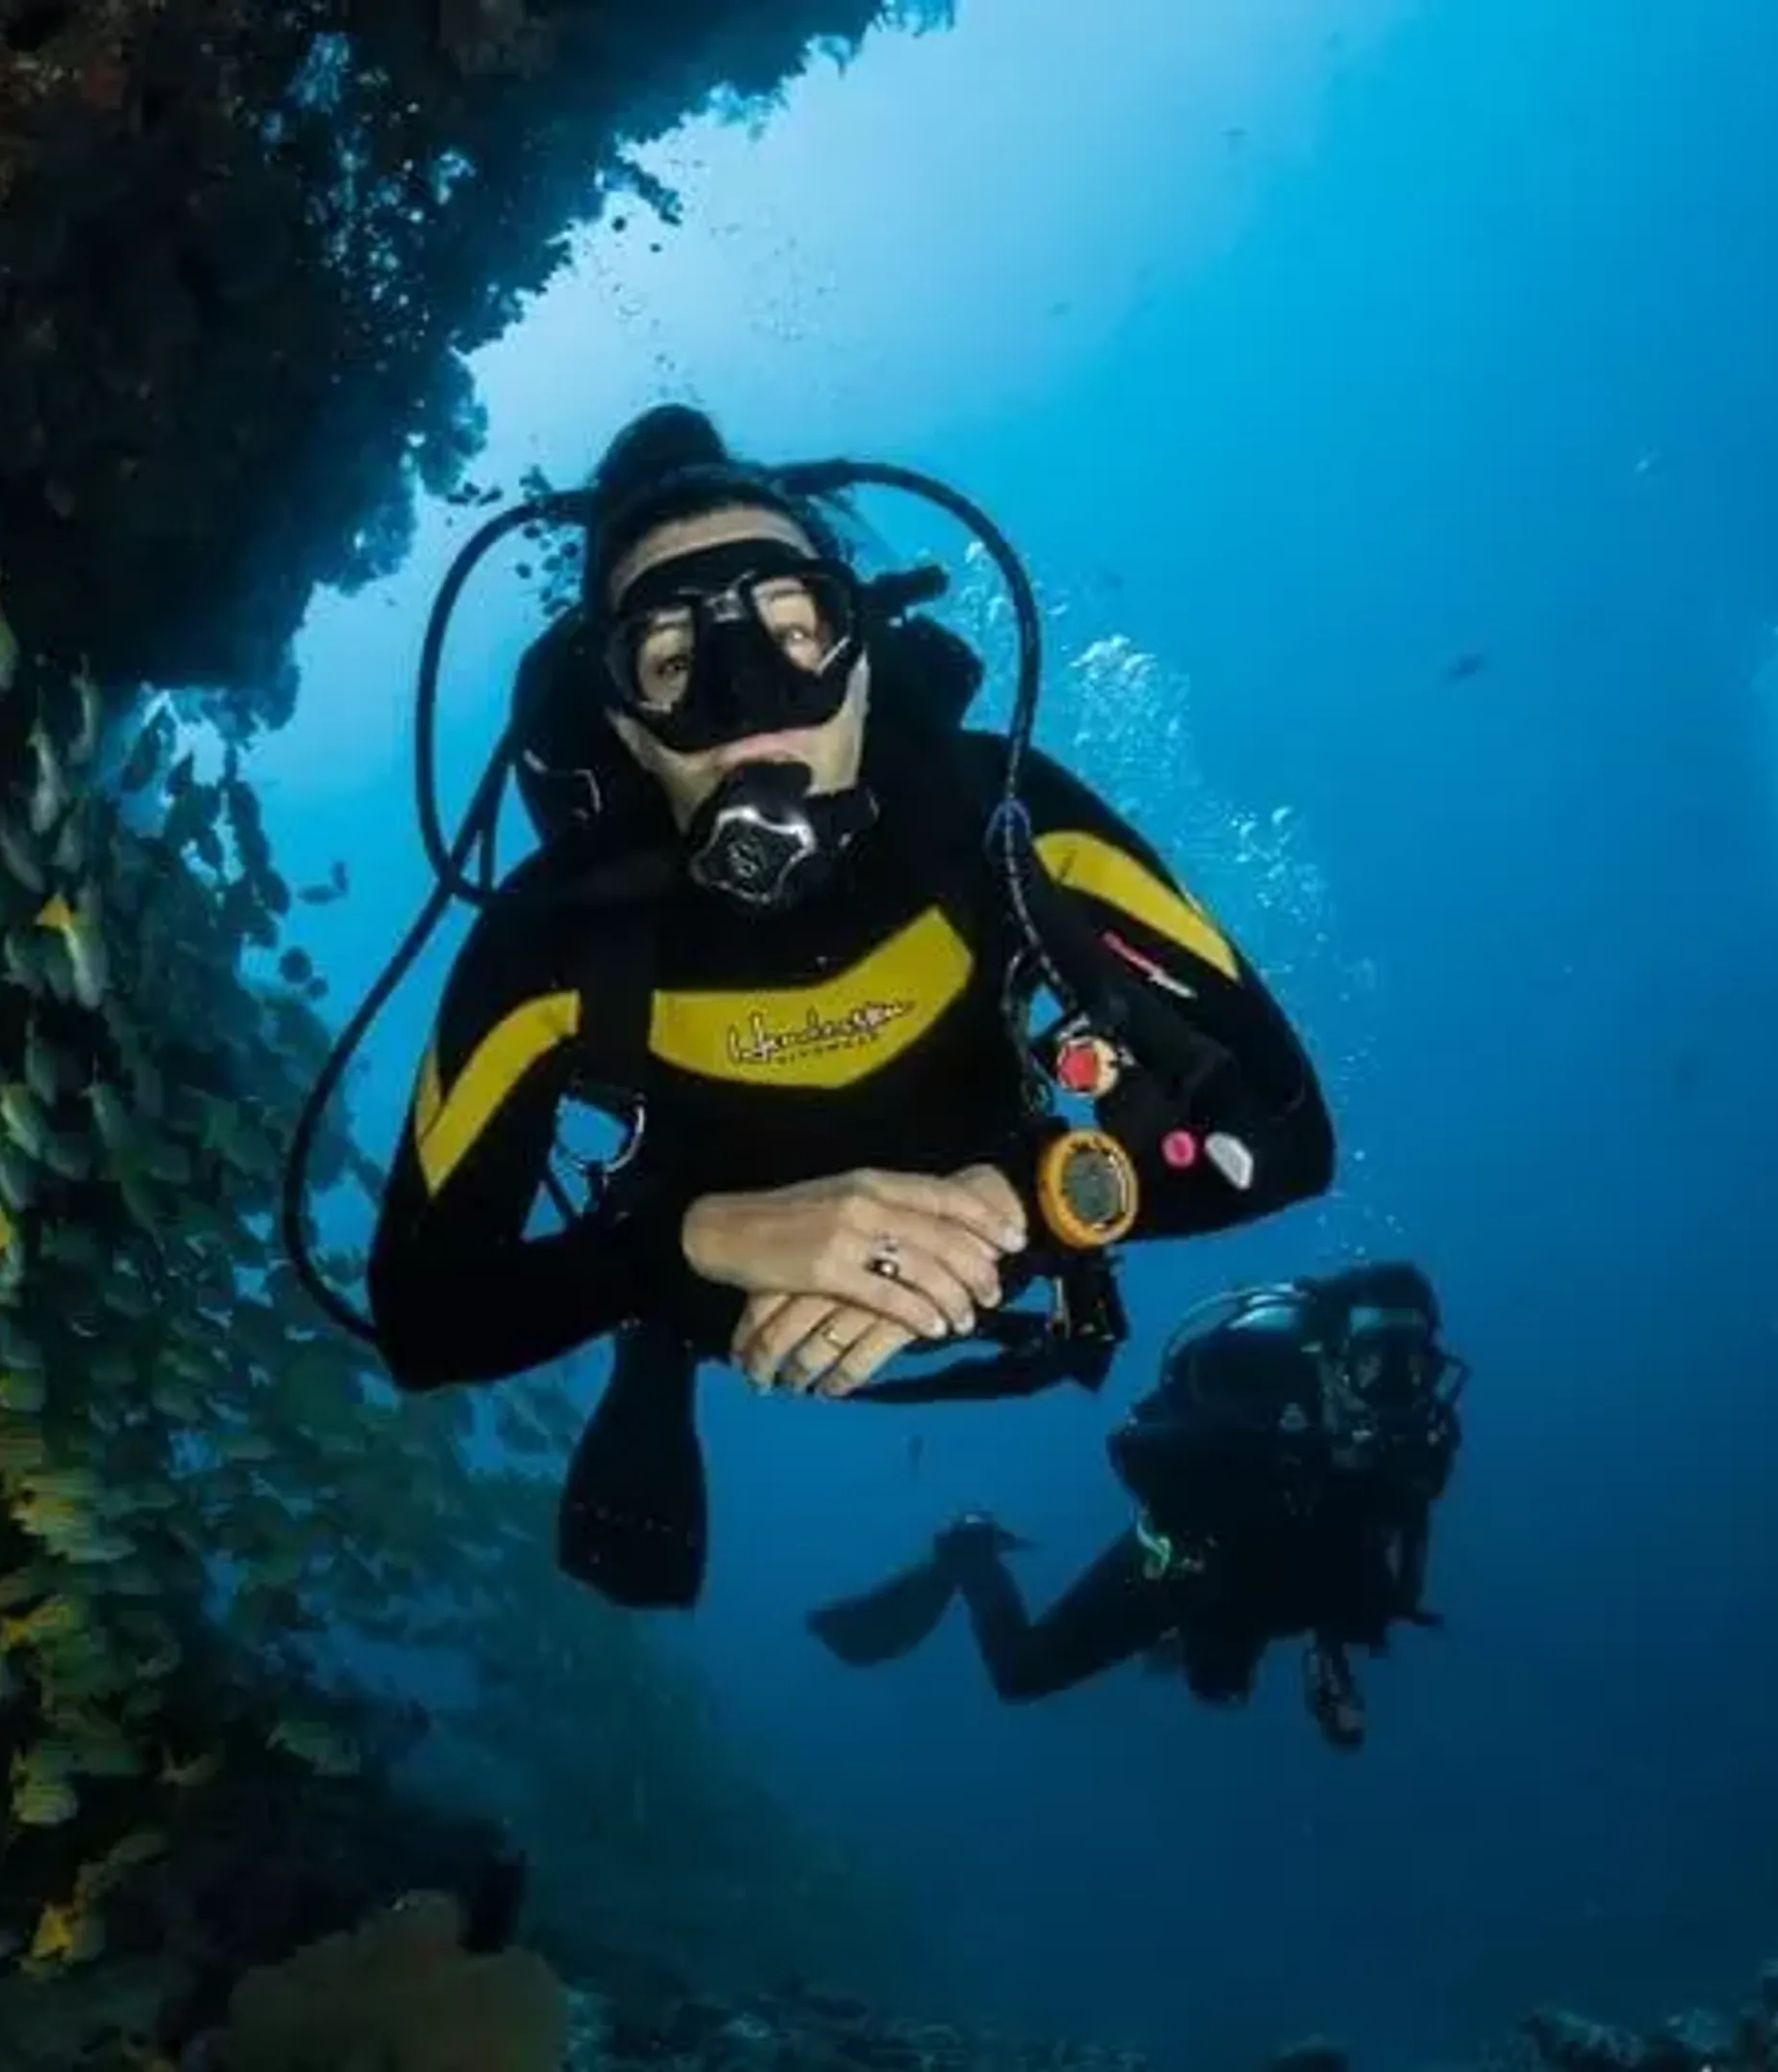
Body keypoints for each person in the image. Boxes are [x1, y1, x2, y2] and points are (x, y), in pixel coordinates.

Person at [360, 404, 1338, 1607]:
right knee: (654, 1305)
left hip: (1013, 1222)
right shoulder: (553, 942)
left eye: (793, 629)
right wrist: (688, 1243)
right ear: (621, 722)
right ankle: (656, 1341)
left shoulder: (1008, 821)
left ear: (862, 654)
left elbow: (1289, 1137)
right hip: (715, 1291)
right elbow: (424, 1318)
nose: (746, 700)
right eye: (671, 663)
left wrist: (1025, 1206)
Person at [807, 1262, 1463, 1747]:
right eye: (1380, 1365)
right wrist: (1269, 1456)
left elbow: (1386, 1552)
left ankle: (1216, 1644)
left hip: (1269, 1586)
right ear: (1334, 1357)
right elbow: (1132, 1445)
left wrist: (1333, 1648)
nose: (1399, 1392)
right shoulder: (1255, 1389)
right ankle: (969, 1551)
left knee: (1220, 1688)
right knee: (1021, 1675)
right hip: (1181, 1566)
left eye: (1417, 1370)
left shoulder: (1421, 1440)